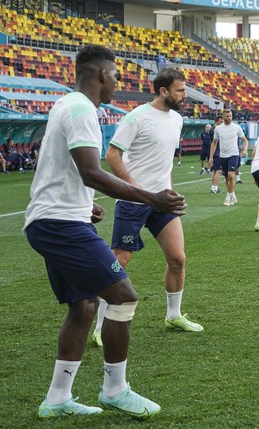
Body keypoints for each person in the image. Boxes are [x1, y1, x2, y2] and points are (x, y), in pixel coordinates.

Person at [24, 45, 186, 419]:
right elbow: (92, 172)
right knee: (124, 297)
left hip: (58, 218)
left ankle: (57, 399)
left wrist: (85, 203)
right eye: (115, 75)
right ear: (100, 75)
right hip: (59, 224)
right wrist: (151, 198)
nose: (118, 82)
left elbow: (59, 167)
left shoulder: (66, 105)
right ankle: (115, 389)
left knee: (83, 307)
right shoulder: (83, 110)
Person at [93, 67, 203, 350]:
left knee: (178, 258)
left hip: (162, 200)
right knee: (120, 261)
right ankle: (100, 327)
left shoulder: (177, 119)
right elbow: (112, 155)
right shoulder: (137, 117)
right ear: (163, 90)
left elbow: (163, 162)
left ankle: (173, 316)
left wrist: (170, 190)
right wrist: (135, 188)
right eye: (180, 90)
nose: (184, 96)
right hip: (133, 200)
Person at [209, 109, 248, 206]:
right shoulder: (218, 129)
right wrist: (211, 157)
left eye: (230, 116)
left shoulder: (236, 127)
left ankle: (227, 199)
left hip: (234, 154)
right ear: (223, 116)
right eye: (227, 116)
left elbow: (244, 140)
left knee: (231, 175)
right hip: (223, 156)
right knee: (227, 179)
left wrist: (245, 150)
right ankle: (233, 196)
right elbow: (214, 143)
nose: (229, 118)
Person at [209, 116, 223, 193]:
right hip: (217, 152)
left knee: (214, 170)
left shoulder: (212, 129)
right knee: (219, 170)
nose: (222, 123)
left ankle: (213, 187)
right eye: (220, 121)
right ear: (216, 121)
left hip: (214, 151)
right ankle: (214, 188)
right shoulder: (216, 129)